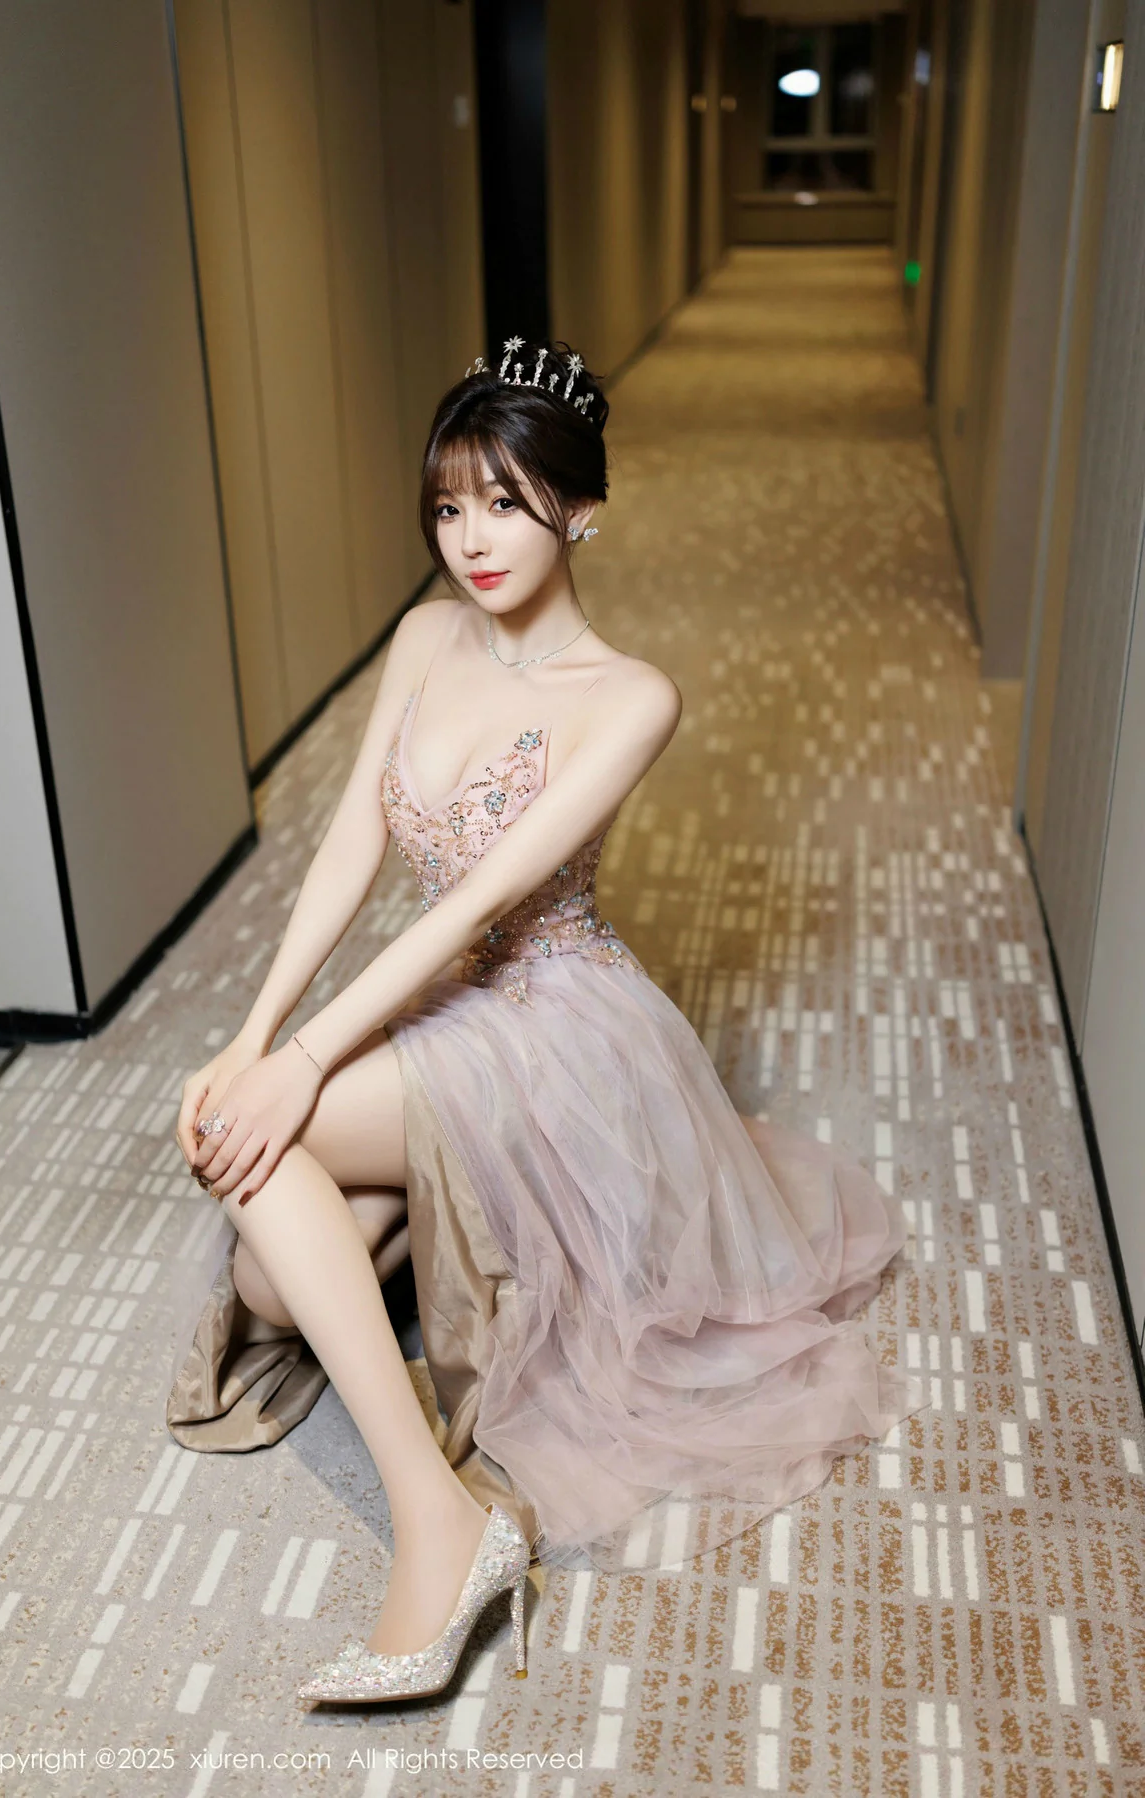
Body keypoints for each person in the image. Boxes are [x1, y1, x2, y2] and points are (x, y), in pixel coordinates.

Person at [169, 338, 927, 1707]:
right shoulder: (424, 637)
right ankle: (437, 1225)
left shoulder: (631, 696)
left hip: (550, 1021)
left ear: (580, 510)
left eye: (507, 504)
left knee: (260, 1155)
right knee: (277, 1274)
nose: (472, 539)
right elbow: (349, 849)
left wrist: (294, 1071)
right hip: (431, 995)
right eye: (449, 506)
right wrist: (254, 1033)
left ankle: (438, 1521)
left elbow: (479, 907)